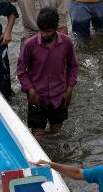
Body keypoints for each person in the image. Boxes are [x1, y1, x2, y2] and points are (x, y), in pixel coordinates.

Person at [15, 8, 78, 136]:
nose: (43, 34)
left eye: (48, 31)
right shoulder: (30, 44)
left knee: (56, 134)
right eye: (41, 30)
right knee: (38, 137)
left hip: (59, 97)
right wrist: (30, 90)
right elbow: (21, 70)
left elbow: (73, 66)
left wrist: (70, 89)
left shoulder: (66, 42)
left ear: (55, 28)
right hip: (37, 98)